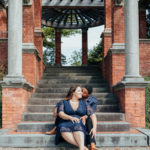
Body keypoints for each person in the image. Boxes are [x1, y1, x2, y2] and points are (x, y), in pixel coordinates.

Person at [55, 85, 97, 150]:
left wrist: (94, 128)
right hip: (65, 122)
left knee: (77, 127)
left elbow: (93, 115)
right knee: (62, 128)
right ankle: (84, 147)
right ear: (73, 92)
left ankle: (81, 148)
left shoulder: (84, 103)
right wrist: (70, 117)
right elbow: (60, 113)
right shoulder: (63, 102)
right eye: (79, 91)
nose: (81, 93)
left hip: (78, 122)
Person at [82, 86, 98, 150]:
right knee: (89, 120)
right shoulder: (78, 96)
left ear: (88, 94)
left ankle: (92, 144)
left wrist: (94, 128)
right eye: (82, 90)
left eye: (84, 92)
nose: (82, 93)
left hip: (88, 117)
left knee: (89, 120)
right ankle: (92, 144)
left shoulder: (93, 101)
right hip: (78, 116)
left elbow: (92, 113)